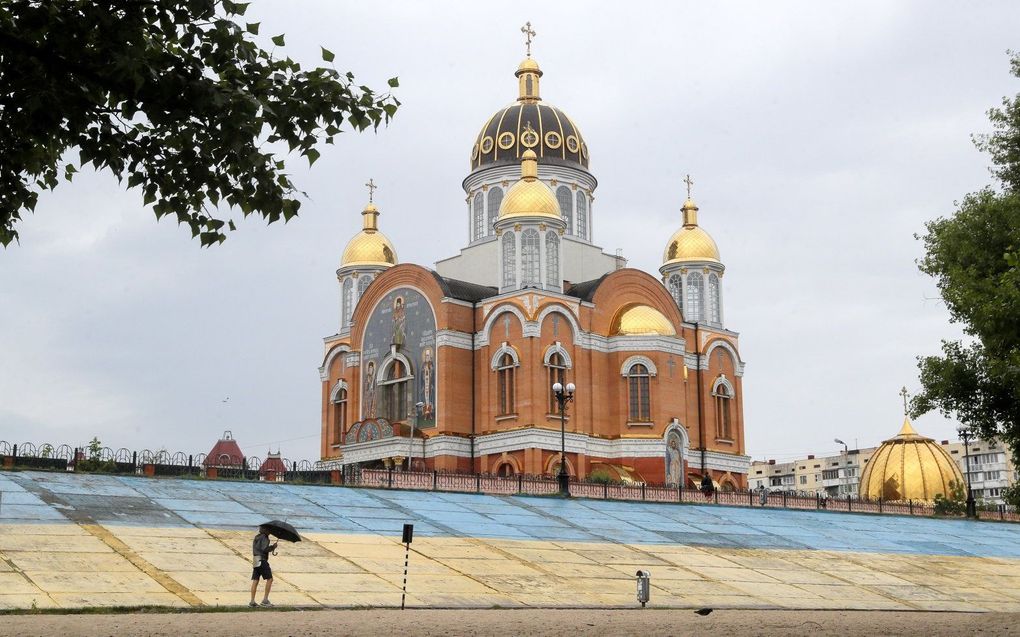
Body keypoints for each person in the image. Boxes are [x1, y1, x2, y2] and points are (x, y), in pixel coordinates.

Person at [250, 525, 278, 607]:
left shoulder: (257, 537)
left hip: (255, 559)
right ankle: (265, 600)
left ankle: (252, 601)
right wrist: (273, 547)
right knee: (270, 579)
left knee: (255, 580)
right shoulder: (265, 538)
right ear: (265, 530)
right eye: (269, 530)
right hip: (262, 560)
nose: (270, 532)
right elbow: (264, 549)